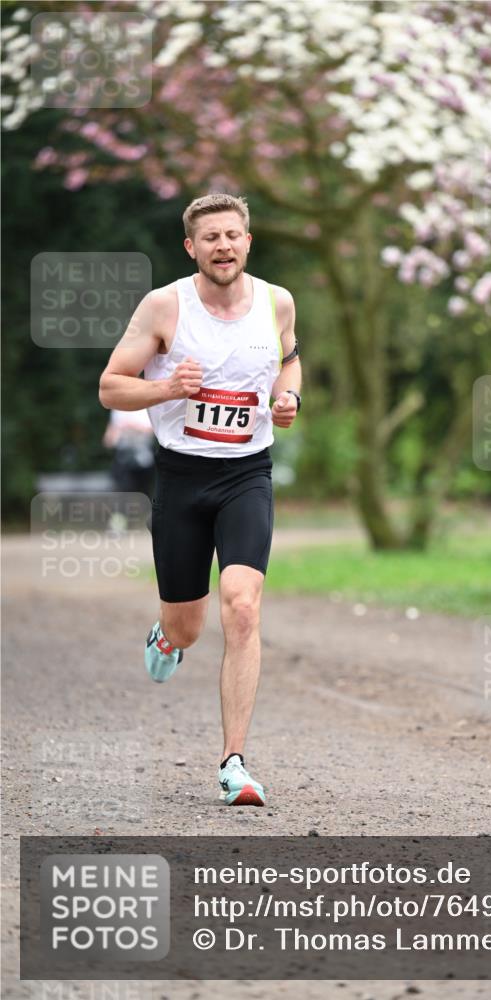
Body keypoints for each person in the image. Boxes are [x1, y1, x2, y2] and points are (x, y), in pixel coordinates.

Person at [99, 193, 302, 806]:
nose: (223, 246)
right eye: (210, 237)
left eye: (233, 235)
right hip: (183, 479)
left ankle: (234, 763)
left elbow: (291, 362)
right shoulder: (166, 305)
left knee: (242, 606)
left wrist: (290, 399)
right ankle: (166, 638)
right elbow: (111, 387)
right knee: (186, 627)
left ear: (247, 241)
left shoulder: (277, 302)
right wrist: (166, 386)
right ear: (192, 247)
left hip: (247, 475)